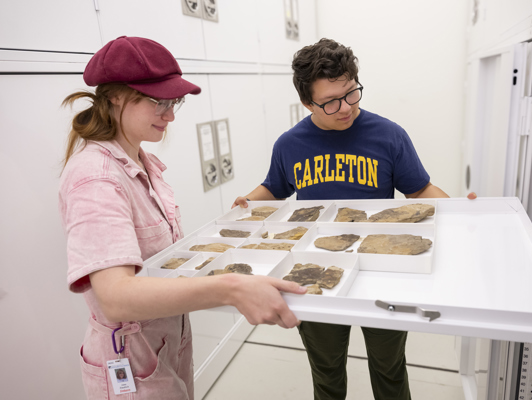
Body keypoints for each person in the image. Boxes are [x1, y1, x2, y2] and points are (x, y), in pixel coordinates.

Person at [59, 36, 307, 400]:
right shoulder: (95, 176)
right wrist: (231, 286)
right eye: (158, 102)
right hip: (130, 357)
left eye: (174, 102)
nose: (170, 115)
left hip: (165, 345)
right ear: (115, 96)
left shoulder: (141, 162)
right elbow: (116, 297)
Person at [233, 38, 475, 400]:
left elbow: (420, 191)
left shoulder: (389, 136)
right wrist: (248, 202)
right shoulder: (289, 144)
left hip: (380, 271)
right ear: (306, 102)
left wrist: (464, 211)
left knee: (389, 368)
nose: (345, 107)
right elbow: (276, 187)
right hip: (313, 274)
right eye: (330, 102)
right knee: (327, 374)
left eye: (351, 93)